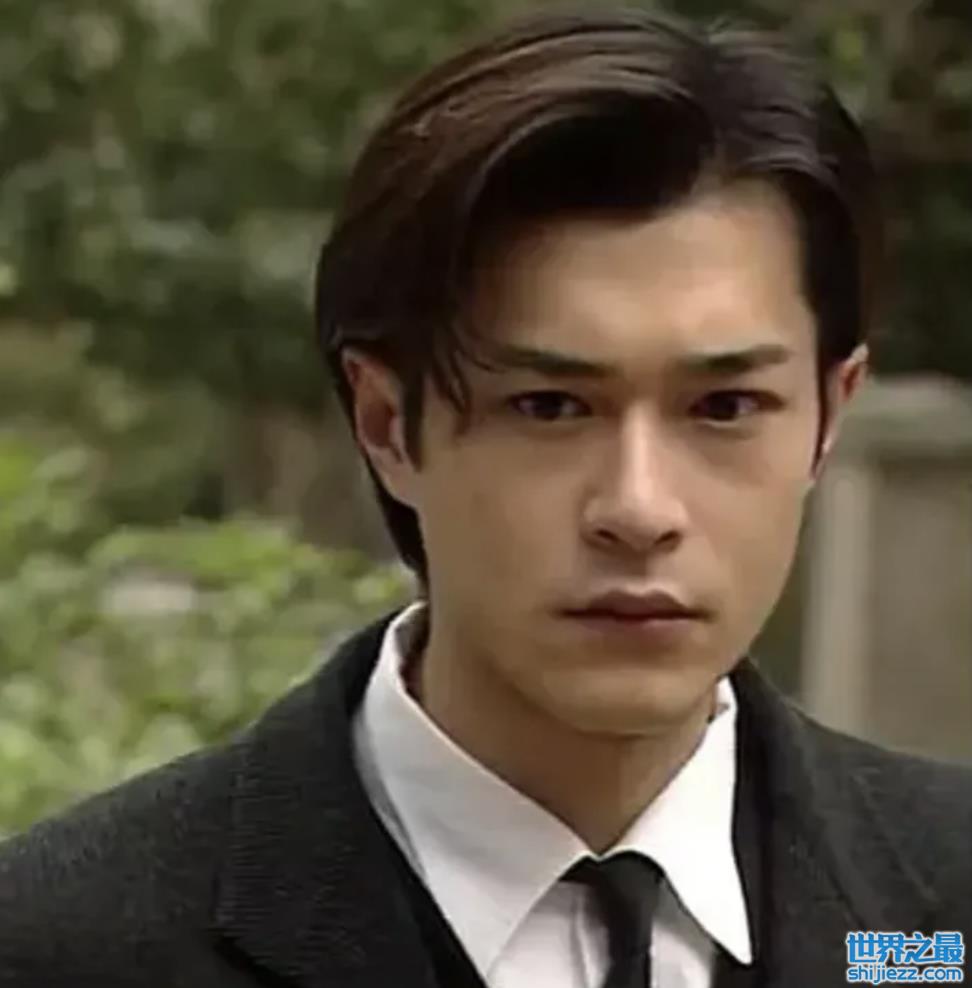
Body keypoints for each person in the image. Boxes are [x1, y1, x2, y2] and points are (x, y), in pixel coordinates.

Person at [1, 6, 969, 988]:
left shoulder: (942, 910)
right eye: (549, 406)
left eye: (725, 407)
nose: (639, 508)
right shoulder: (68, 946)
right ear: (387, 424)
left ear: (828, 415)